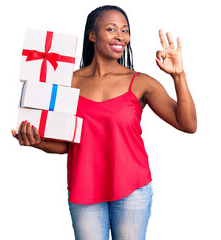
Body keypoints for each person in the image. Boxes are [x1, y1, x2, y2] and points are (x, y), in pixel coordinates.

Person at [12, 5, 197, 240]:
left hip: (133, 190)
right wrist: (38, 142)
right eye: (111, 29)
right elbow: (69, 144)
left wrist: (178, 75)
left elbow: (188, 124)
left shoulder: (142, 83)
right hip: (84, 190)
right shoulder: (65, 82)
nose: (121, 36)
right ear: (92, 35)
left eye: (125, 30)